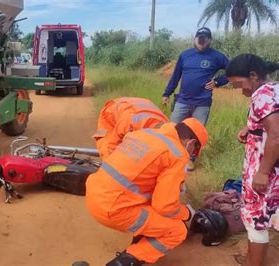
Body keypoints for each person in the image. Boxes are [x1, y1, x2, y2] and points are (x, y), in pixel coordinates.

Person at [86, 118, 208, 265]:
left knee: (153, 210)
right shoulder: (177, 154)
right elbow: (165, 207)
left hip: (94, 194)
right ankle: (123, 262)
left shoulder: (144, 134)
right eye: (194, 152)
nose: (191, 156)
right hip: (114, 209)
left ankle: (138, 244)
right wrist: (187, 213)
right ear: (191, 143)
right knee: (177, 231)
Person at [225, 54, 279, 266]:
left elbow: (275, 135)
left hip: (267, 169)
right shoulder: (274, 89)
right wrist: (252, 129)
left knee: (255, 218)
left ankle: (252, 264)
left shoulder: (261, 96)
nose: (241, 90)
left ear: (253, 76)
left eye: (239, 84)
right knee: (268, 213)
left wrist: (263, 172)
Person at [162, 27, 229, 171]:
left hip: (202, 103)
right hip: (182, 101)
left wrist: (218, 82)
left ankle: (189, 160)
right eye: (199, 38)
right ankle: (169, 157)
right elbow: (176, 76)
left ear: (209, 40)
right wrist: (167, 93)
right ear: (195, 39)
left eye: (204, 39)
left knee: (196, 133)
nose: (201, 41)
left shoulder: (217, 56)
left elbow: (233, 70)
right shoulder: (185, 55)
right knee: (172, 129)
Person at [93, 97, 168, 160]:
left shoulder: (166, 127)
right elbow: (113, 144)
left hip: (135, 104)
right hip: (110, 113)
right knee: (108, 152)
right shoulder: (128, 122)